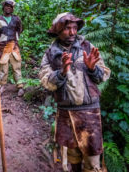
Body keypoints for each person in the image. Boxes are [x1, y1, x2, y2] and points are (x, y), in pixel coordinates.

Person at [39, 12, 110, 172]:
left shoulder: (87, 47)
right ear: (57, 30)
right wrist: (61, 72)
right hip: (66, 114)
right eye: (67, 28)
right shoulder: (51, 53)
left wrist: (93, 69)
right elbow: (46, 81)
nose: (72, 32)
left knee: (92, 162)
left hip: (89, 113)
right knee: (72, 159)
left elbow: (104, 75)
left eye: (74, 28)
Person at [0, 0, 24, 97]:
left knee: (17, 66)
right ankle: (2, 86)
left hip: (14, 45)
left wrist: (14, 40)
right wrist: (3, 41)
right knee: (3, 67)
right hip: (3, 47)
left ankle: (20, 86)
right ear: (3, 7)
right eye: (6, 6)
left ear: (12, 9)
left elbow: (20, 29)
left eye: (10, 6)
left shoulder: (16, 19)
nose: (8, 8)